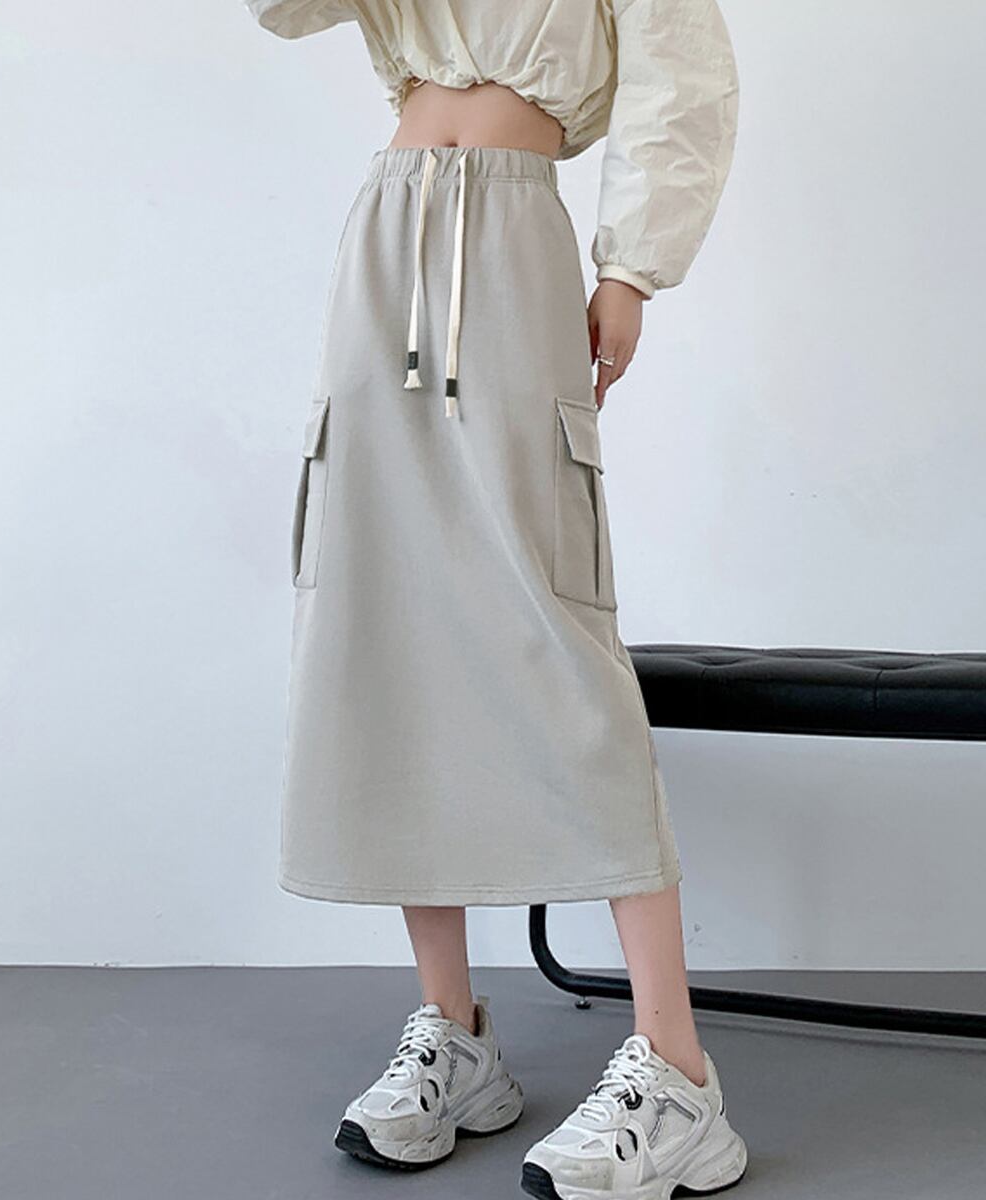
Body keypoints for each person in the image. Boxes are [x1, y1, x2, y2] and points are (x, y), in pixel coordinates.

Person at [243, 1, 745, 1196]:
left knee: (552, 627)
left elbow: (683, 81)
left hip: (514, 237)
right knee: (386, 621)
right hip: (387, 227)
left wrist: (630, 269)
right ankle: (454, 1033)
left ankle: (677, 1070)